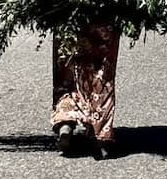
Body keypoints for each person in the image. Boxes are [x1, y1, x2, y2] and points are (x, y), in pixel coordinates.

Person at [51, 22, 120, 155]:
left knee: (67, 65)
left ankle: (65, 118)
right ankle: (100, 134)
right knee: (101, 68)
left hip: (67, 13)